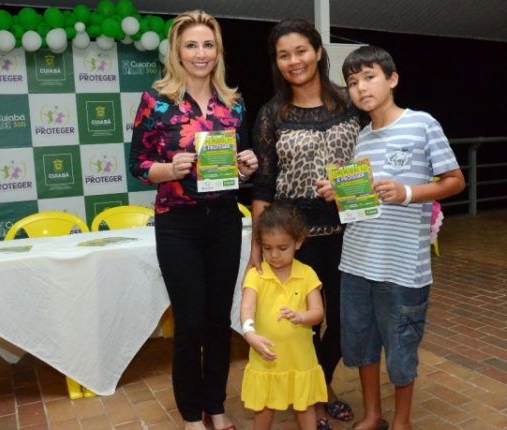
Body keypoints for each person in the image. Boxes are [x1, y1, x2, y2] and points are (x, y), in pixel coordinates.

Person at [317, 45, 465, 430]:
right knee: (361, 344)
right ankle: (373, 415)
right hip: (356, 262)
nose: (361, 88)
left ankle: (402, 421)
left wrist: (407, 193)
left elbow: (455, 181)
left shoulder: (422, 124)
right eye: (353, 82)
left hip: (402, 269)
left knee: (400, 348)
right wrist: (339, 193)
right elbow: (361, 205)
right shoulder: (362, 138)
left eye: (369, 77)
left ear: (392, 79)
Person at [128, 10, 257, 430]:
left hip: (224, 221)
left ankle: (215, 407)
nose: (200, 53)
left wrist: (247, 167)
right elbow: (137, 165)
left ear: (218, 51)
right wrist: (169, 169)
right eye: (191, 45)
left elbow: (237, 168)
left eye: (208, 45)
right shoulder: (156, 101)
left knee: (219, 320)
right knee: (190, 322)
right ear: (177, 52)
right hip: (177, 224)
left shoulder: (234, 104)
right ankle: (190, 415)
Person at [250, 18, 364, 428]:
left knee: (346, 321)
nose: (294, 61)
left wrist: (349, 189)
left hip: (351, 233)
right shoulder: (271, 114)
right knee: (302, 326)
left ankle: (321, 381)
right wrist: (258, 249)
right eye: (284, 55)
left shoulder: (351, 103)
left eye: (301, 51)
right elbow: (263, 186)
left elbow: (371, 163)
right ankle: (315, 397)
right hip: (296, 243)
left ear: (318, 52)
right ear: (277, 62)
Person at [240, 202, 328, 430]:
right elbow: (247, 307)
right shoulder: (256, 275)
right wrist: (249, 333)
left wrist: (301, 317)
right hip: (266, 358)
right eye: (267, 248)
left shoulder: (307, 274)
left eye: (282, 248)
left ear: (298, 242)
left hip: (300, 359)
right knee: (264, 407)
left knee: (305, 405)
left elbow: (318, 313)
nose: (274, 255)